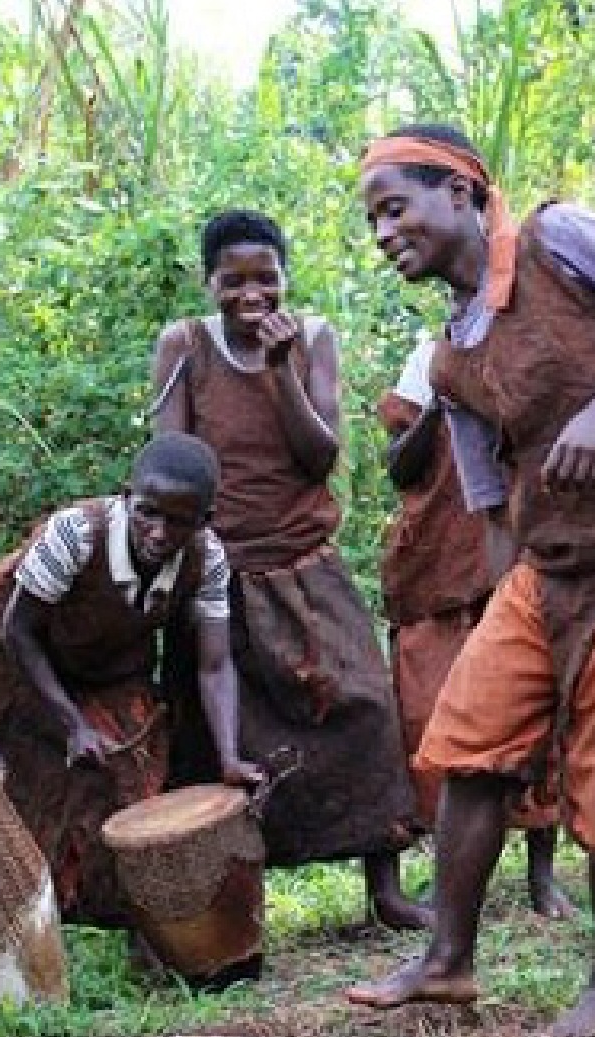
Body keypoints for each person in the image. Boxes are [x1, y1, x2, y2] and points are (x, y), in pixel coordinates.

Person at [346, 123, 595, 1037]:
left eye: (395, 206)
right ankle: (449, 962)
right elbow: (492, 502)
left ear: (459, 192)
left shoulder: (557, 238)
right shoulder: (451, 356)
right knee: (472, 734)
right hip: (551, 561)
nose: (384, 233)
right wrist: (508, 614)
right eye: (373, 219)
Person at [149, 210, 429, 931]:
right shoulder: (184, 345)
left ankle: (386, 885)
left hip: (305, 560)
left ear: (285, 278)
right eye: (233, 280)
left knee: (364, 707)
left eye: (266, 279)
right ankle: (227, 901)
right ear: (208, 282)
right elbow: (171, 463)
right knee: (219, 738)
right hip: (217, 569)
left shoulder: (313, 340)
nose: (252, 295)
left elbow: (320, 456)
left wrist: (281, 376)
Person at [0, 433, 263, 931]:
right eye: (149, 513)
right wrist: (72, 725)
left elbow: (215, 665)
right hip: (10, 653)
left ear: (204, 521)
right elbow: (19, 631)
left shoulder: (207, 559)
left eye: (179, 521)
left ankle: (103, 913)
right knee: (24, 783)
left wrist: (229, 757)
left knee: (127, 784)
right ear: (127, 498)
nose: (160, 533)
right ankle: (16, 917)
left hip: (106, 667)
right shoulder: (76, 534)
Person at [377, 336, 571, 919]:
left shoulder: (533, 337)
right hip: (438, 563)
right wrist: (440, 396)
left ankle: (543, 873)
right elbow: (400, 466)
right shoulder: (427, 355)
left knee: (539, 711)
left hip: (517, 546)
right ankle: (450, 876)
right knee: (435, 716)